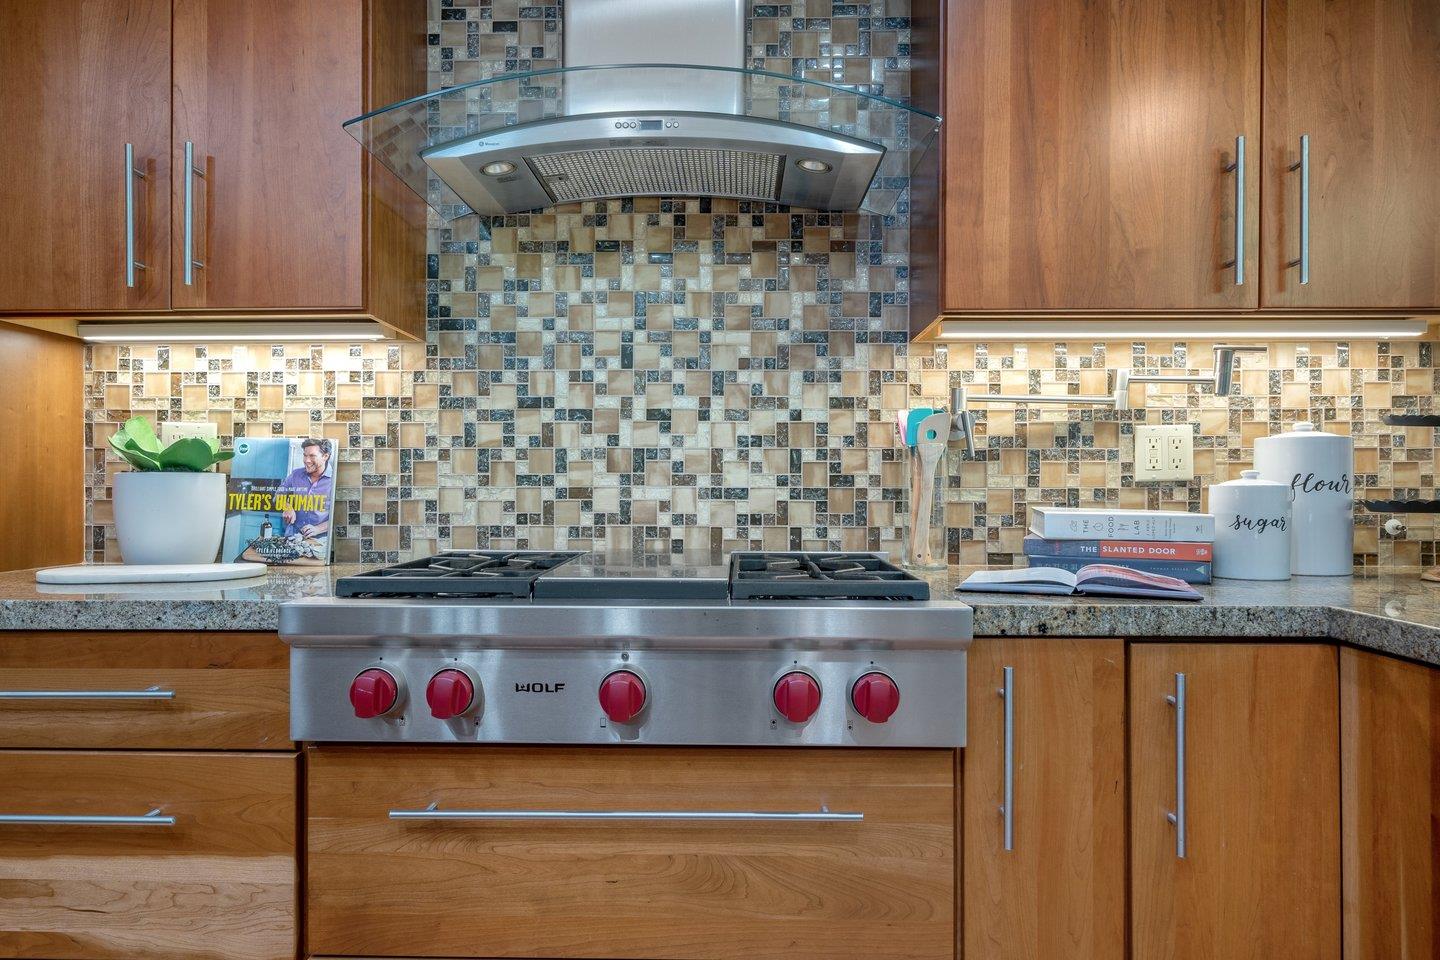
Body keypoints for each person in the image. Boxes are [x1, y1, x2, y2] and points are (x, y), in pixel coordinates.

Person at [278, 438, 333, 539]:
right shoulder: (296, 474)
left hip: (319, 540)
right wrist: (287, 507)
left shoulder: (335, 479)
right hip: (293, 535)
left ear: (325, 456)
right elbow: (278, 494)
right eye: (305, 455)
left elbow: (341, 517)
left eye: (312, 456)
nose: (306, 460)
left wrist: (318, 529)